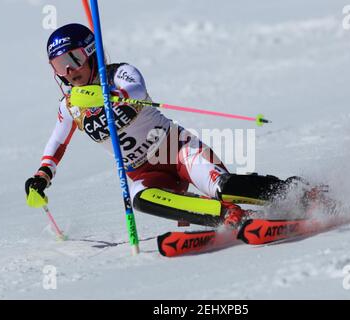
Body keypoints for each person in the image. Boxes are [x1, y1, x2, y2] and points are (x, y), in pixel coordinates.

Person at [25, 23, 319, 229]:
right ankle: (227, 216)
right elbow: (57, 144)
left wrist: (107, 95)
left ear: (90, 52)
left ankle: (299, 193)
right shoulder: (70, 106)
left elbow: (136, 90)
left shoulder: (118, 75)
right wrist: (41, 176)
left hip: (175, 150)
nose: (69, 70)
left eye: (72, 58)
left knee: (223, 186)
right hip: (142, 171)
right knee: (140, 198)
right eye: (58, 65)